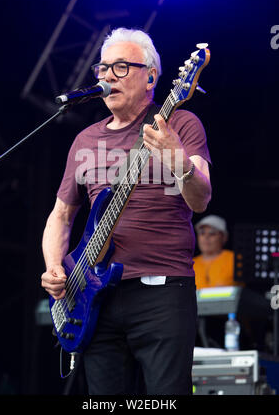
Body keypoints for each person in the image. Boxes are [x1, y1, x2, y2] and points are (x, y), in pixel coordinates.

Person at [41, 27, 212, 395]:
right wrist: (55, 265)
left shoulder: (181, 124)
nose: (106, 77)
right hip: (93, 296)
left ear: (151, 76)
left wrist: (175, 156)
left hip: (161, 290)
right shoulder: (85, 139)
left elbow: (201, 200)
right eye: (102, 68)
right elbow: (61, 215)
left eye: (120, 67)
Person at [193, 215, 240, 289]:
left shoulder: (236, 259)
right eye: (202, 233)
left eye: (212, 233)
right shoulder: (190, 264)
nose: (206, 237)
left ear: (224, 237)